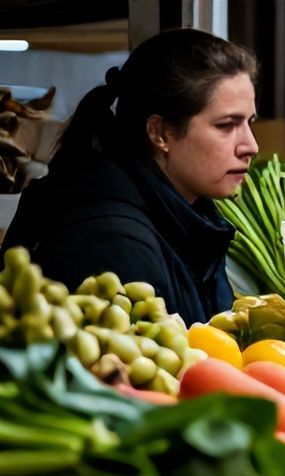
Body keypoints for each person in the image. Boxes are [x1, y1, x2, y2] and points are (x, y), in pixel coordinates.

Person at [1, 29, 257, 323]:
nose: (251, 146)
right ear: (160, 133)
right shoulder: (113, 246)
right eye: (227, 125)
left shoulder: (189, 217)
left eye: (249, 123)